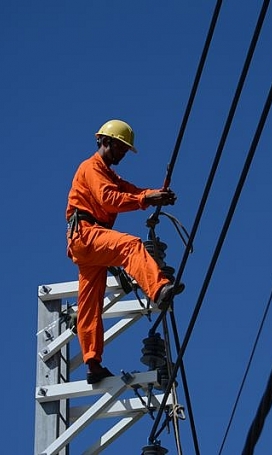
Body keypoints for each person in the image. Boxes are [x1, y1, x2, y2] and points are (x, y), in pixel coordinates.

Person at [66, 119, 182, 384]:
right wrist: (146, 200)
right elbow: (110, 199)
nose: (122, 155)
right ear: (105, 142)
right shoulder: (92, 168)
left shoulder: (109, 173)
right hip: (87, 234)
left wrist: (156, 195)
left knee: (89, 305)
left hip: (86, 242)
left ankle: (92, 362)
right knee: (131, 246)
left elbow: (131, 190)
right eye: (119, 148)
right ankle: (159, 290)